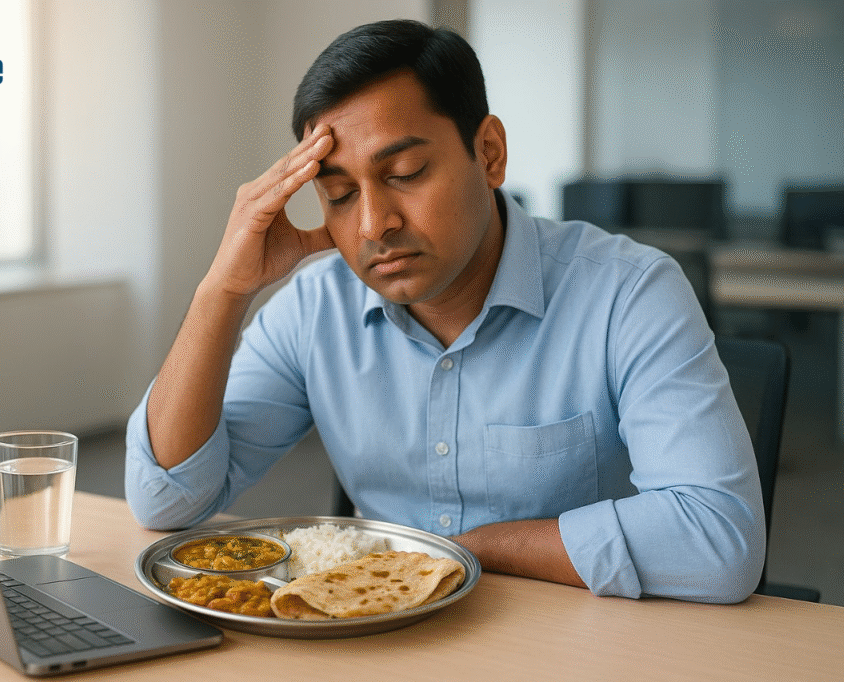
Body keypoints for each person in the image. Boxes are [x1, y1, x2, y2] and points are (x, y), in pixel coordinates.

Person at [125, 19, 765, 603]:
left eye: (403, 172)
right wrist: (224, 291)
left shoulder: (629, 292)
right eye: (341, 195)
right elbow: (166, 499)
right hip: (379, 642)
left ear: (489, 153)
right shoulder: (314, 308)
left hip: (582, 642)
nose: (374, 224)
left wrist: (477, 550)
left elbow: (720, 538)